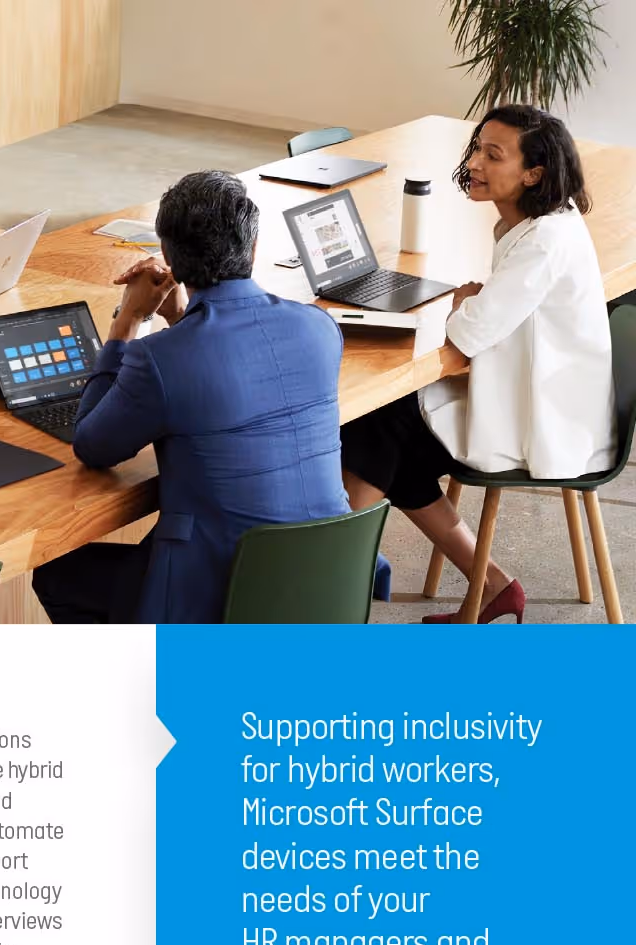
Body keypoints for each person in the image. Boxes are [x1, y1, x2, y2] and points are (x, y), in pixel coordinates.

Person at [31, 170, 348, 624]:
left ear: (168, 257)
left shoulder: (158, 359)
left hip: (222, 595)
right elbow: (234, 374)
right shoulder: (320, 327)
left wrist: (126, 323)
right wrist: (181, 319)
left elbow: (93, 446)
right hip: (327, 576)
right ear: (253, 247)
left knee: (57, 574)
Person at [341, 104, 609, 623]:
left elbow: (468, 335)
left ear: (533, 174)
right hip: (539, 391)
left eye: (493, 154)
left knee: (374, 426)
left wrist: (464, 304)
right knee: (390, 443)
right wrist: (472, 305)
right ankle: (490, 585)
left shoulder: (544, 241)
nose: (475, 164)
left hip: (547, 419)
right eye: (477, 149)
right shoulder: (535, 223)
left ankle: (331, 585)